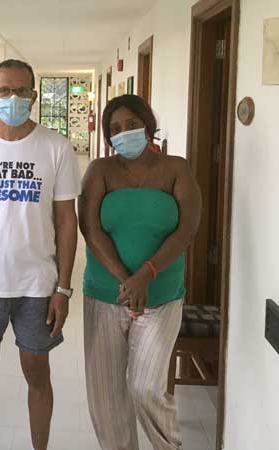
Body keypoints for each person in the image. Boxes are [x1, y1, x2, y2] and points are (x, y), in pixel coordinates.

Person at [0, 59, 81, 450]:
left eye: (22, 91)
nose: (13, 98)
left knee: (38, 374)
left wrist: (64, 289)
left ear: (34, 97)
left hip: (37, 285)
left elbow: (66, 222)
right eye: (5, 90)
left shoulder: (55, 147)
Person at [79, 94, 202, 450]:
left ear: (148, 124)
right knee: (106, 396)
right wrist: (126, 280)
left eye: (132, 124)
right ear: (107, 136)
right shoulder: (100, 171)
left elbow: (187, 229)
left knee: (146, 387)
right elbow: (90, 228)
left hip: (161, 297)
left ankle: (169, 446)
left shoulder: (176, 168)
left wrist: (146, 274)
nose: (124, 133)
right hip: (105, 295)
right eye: (115, 129)